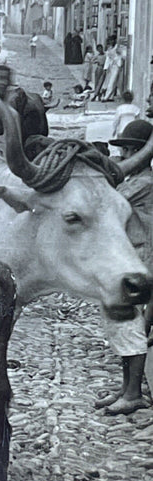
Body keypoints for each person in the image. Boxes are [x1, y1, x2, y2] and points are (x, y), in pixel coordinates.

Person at [95, 120, 153, 415]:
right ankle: (126, 386)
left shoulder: (143, 183)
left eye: (131, 149)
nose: (125, 153)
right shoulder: (136, 180)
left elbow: (111, 202)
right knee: (121, 324)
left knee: (132, 325)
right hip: (129, 254)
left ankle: (132, 392)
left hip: (141, 256)